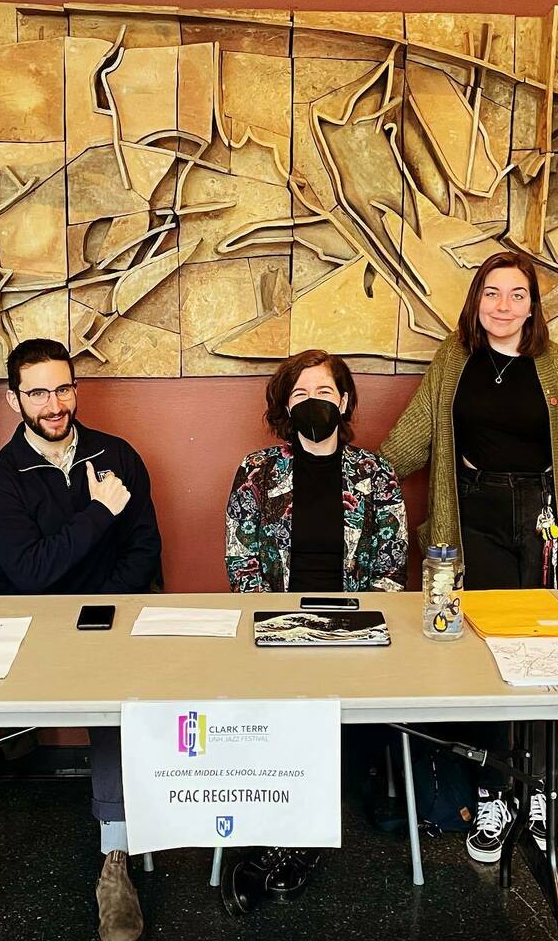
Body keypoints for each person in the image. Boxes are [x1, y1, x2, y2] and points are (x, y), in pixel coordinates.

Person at [379, 250, 558, 864]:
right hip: (470, 523)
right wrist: (355, 475)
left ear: (532, 305)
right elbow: (414, 437)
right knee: (479, 659)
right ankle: (492, 795)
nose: (502, 306)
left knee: (542, 660)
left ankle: (538, 796)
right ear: (475, 301)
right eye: (491, 293)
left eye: (516, 295)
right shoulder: (453, 362)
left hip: (541, 526)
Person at [0, 337, 162, 941]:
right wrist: (98, 513)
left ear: (75, 390)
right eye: (37, 392)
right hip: (28, 625)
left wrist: (101, 605)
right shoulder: (2, 479)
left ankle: (116, 863)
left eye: (62, 388)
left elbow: (144, 549)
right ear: (13, 400)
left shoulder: (117, 456)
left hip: (107, 617)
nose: (53, 404)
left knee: (116, 708)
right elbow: (29, 571)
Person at [223, 349, 407, 902]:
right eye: (300, 395)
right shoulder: (256, 471)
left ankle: (293, 840)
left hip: (356, 630)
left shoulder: (375, 474)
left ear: (344, 400)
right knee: (283, 708)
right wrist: (282, 627)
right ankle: (287, 831)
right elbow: (242, 562)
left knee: (326, 710)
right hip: (277, 627)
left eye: (324, 392)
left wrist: (344, 629)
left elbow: (391, 564)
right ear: (285, 407)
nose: (313, 403)